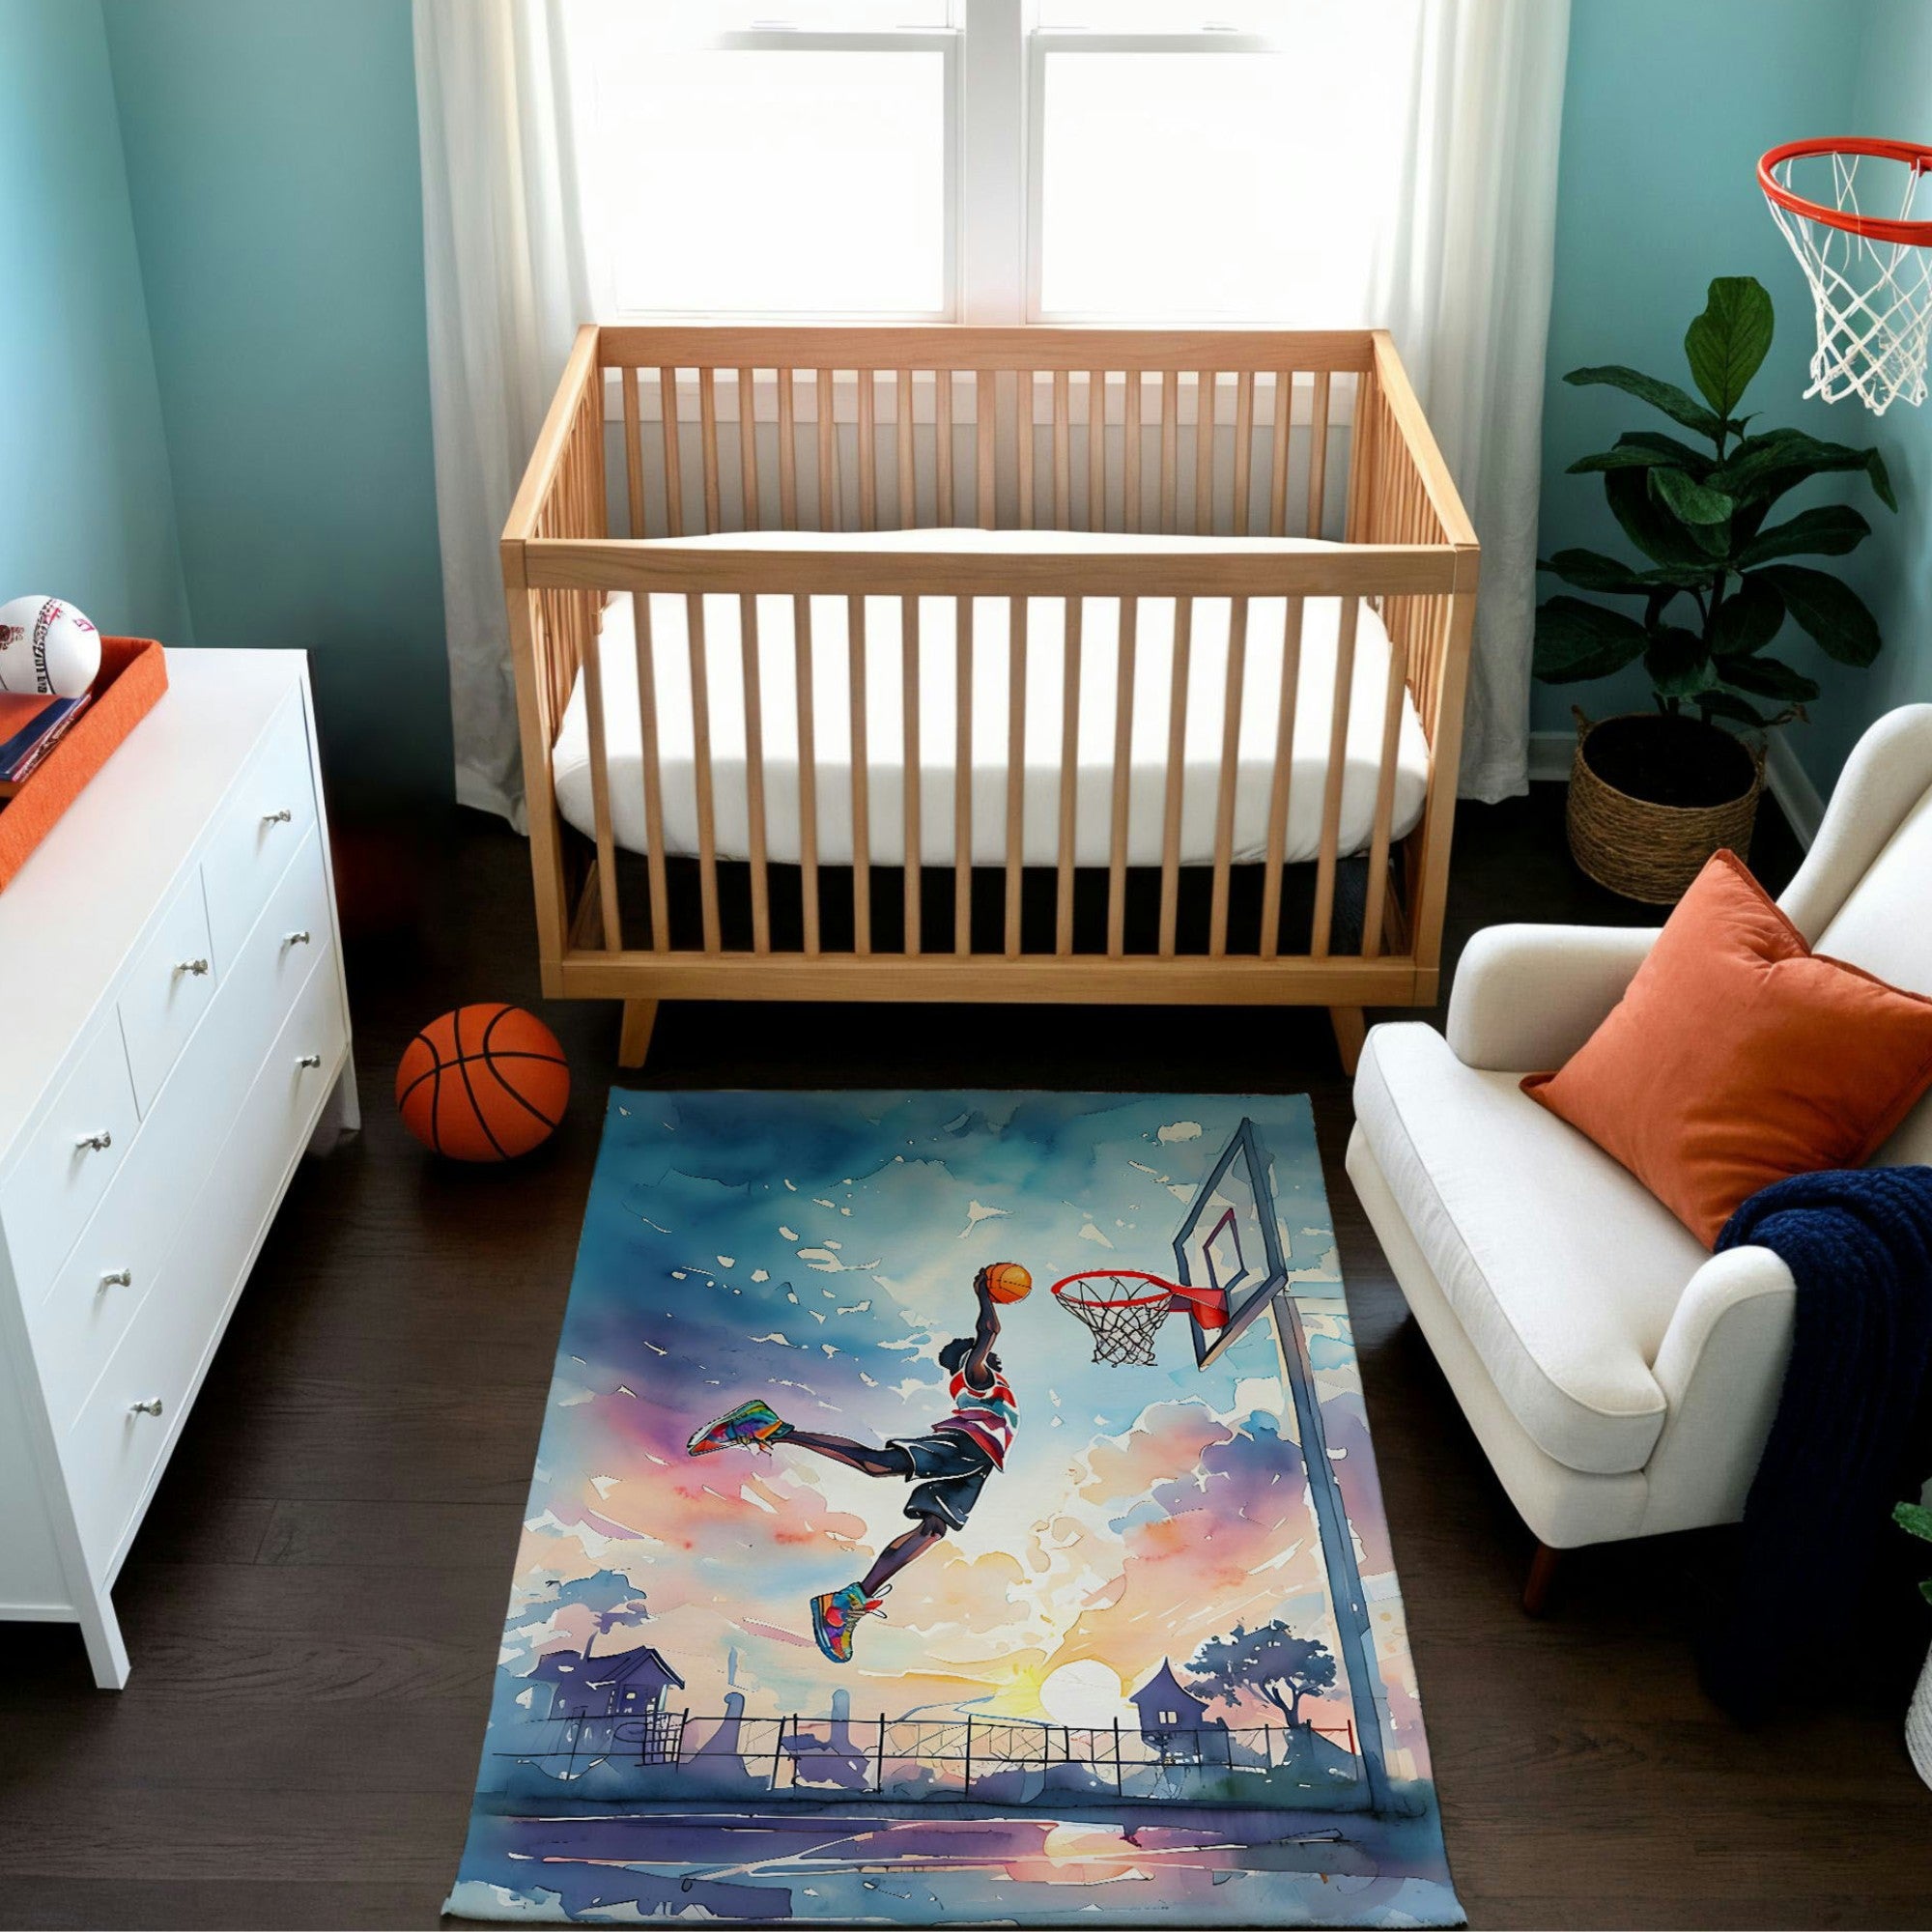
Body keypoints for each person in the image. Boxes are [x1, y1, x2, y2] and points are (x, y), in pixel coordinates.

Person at [686, 1264, 1021, 1662]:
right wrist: (984, 1295)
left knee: (932, 1530)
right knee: (878, 1464)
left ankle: (846, 1603)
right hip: (967, 1445)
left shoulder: (986, 1386)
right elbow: (989, 1332)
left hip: (978, 1462)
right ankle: (770, 1426)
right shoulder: (975, 1376)